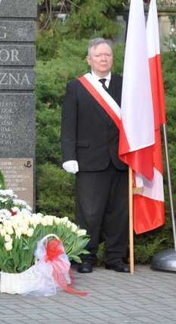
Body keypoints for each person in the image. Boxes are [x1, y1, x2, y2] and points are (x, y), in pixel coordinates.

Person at [60, 37, 128, 274]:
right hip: (88, 160)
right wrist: (69, 156)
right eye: (98, 55)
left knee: (118, 213)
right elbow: (69, 125)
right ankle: (85, 257)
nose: (103, 59)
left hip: (121, 159)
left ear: (112, 58)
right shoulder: (77, 87)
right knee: (89, 213)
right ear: (89, 59)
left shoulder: (124, 84)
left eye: (107, 55)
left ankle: (116, 257)